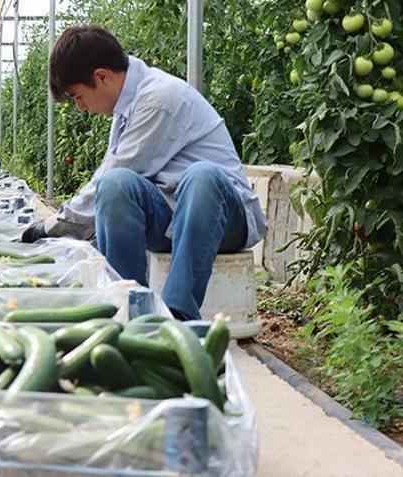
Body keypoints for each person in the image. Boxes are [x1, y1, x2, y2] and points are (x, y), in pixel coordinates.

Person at [21, 26, 266, 321]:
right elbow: (110, 180)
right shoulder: (128, 105)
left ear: (101, 77)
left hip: (221, 218)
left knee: (201, 176)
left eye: (78, 97)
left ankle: (178, 315)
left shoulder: (159, 98)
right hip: (173, 218)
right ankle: (127, 307)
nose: (81, 107)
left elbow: (123, 167)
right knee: (115, 185)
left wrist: (51, 226)